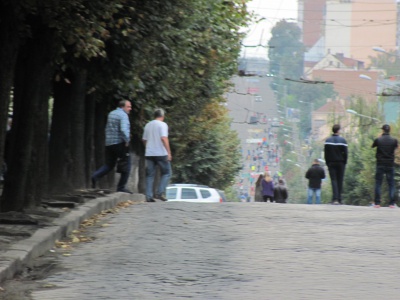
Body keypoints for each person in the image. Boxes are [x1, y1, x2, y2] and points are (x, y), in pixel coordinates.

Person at [91, 100, 132, 193]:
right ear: (123, 107)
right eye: (128, 107)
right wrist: (127, 141)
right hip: (119, 144)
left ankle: (95, 176)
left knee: (109, 165)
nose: (130, 109)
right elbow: (123, 130)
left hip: (109, 144)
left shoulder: (111, 113)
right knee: (127, 164)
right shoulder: (123, 115)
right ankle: (121, 187)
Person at [142, 108, 172, 202]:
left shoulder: (147, 125)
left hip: (149, 153)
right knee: (167, 173)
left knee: (150, 175)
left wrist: (149, 148)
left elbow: (144, 140)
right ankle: (160, 193)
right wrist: (169, 152)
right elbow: (164, 138)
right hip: (161, 153)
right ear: (162, 116)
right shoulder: (163, 125)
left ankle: (148, 196)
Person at [372, 124, 398, 208]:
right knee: (391, 184)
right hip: (390, 164)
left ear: (382, 130)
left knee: (378, 183)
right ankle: (391, 203)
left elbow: (373, 146)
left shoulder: (378, 140)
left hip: (380, 163)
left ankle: (377, 203)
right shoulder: (394, 140)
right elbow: (396, 147)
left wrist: (380, 137)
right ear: (389, 131)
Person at [324, 124, 347, 205]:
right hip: (341, 163)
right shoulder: (343, 141)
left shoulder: (328, 141)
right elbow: (346, 153)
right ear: (338, 131)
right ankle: (339, 199)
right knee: (340, 180)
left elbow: (326, 153)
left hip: (331, 162)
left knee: (334, 180)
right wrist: (344, 162)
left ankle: (335, 199)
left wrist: (327, 162)